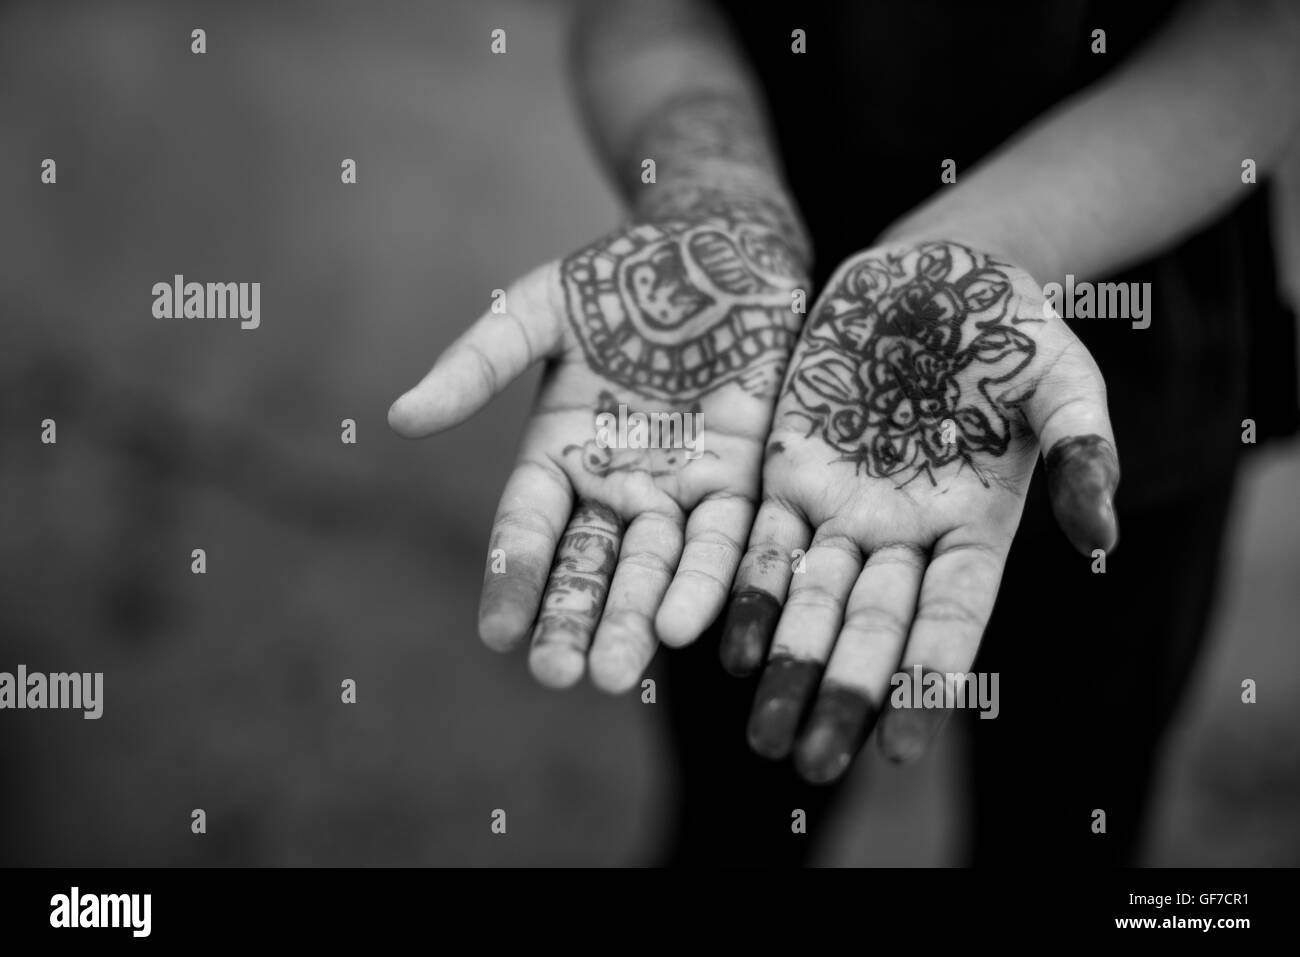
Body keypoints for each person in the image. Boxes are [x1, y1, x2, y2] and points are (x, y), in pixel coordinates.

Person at [388, 0, 1300, 866]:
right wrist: (715, 201)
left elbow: (1263, 32)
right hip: (749, 415)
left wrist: (984, 247)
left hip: (1142, 371)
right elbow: (645, 10)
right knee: (739, 808)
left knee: (1071, 814)